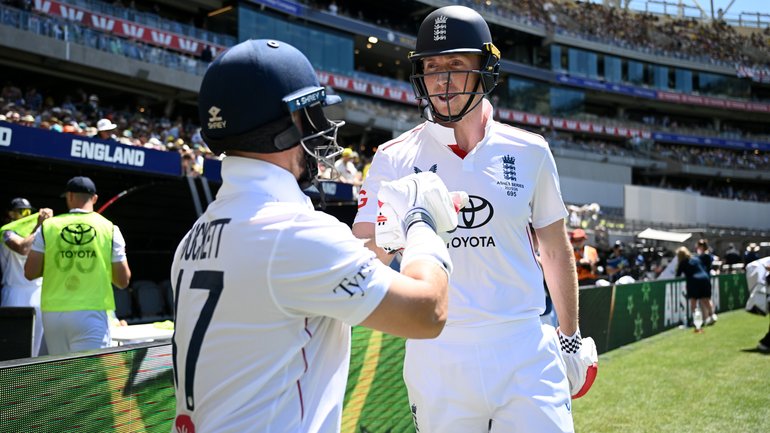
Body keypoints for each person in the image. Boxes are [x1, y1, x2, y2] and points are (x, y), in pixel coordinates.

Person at [170, 39, 462, 433]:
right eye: (310, 112)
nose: (320, 125)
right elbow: (428, 313)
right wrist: (423, 222)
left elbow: (316, 281)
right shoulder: (293, 234)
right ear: (287, 125)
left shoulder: (195, 235)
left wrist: (388, 235)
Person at [352, 6, 597, 432]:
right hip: (437, 350)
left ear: (485, 70)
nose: (442, 81)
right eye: (431, 67)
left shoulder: (530, 150)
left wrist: (570, 335)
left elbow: (555, 251)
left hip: (523, 343)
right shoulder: (393, 159)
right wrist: (394, 235)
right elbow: (365, 259)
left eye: (456, 65)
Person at [24, 176, 132, 355]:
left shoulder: (48, 227)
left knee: (63, 377)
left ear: (70, 196)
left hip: (53, 315)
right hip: (91, 313)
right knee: (88, 379)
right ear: (95, 198)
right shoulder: (110, 228)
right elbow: (123, 281)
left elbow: (30, 272)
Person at [0, 198, 53, 356]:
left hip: (39, 293)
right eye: (22, 212)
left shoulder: (41, 233)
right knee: (13, 345)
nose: (27, 215)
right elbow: (23, 248)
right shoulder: (6, 232)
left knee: (38, 350)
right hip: (14, 294)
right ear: (11, 214)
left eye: (29, 212)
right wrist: (39, 225)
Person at [675, 246, 716, 327]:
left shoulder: (682, 262)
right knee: (706, 299)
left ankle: (696, 321)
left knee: (693, 301)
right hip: (705, 279)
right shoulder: (696, 259)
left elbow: (677, 275)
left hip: (694, 281)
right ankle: (712, 316)